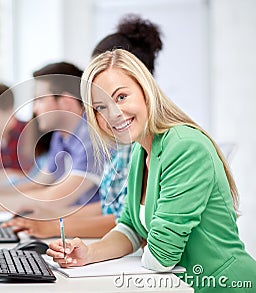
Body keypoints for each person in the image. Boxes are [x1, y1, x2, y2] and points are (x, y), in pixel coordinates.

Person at [46, 49, 256, 292]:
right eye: (100, 107)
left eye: (121, 97)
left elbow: (162, 256)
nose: (113, 113)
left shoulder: (184, 146)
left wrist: (145, 248)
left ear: (146, 91)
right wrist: (90, 253)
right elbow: (130, 227)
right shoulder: (141, 150)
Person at [3, 15, 162, 237]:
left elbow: (133, 226)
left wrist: (51, 225)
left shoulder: (162, 148)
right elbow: (117, 211)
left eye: (120, 95)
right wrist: (51, 219)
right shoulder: (125, 145)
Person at [0, 62, 103, 215]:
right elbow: (37, 184)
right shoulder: (61, 136)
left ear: (66, 102)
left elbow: (51, 198)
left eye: (40, 100)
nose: (34, 109)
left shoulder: (91, 140)